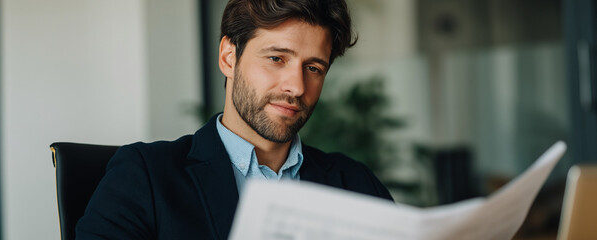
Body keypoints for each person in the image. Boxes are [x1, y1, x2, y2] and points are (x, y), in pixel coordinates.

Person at [75, 0, 393, 239]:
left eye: (313, 68)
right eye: (276, 58)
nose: (296, 86)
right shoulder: (145, 176)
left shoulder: (357, 185)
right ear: (229, 57)